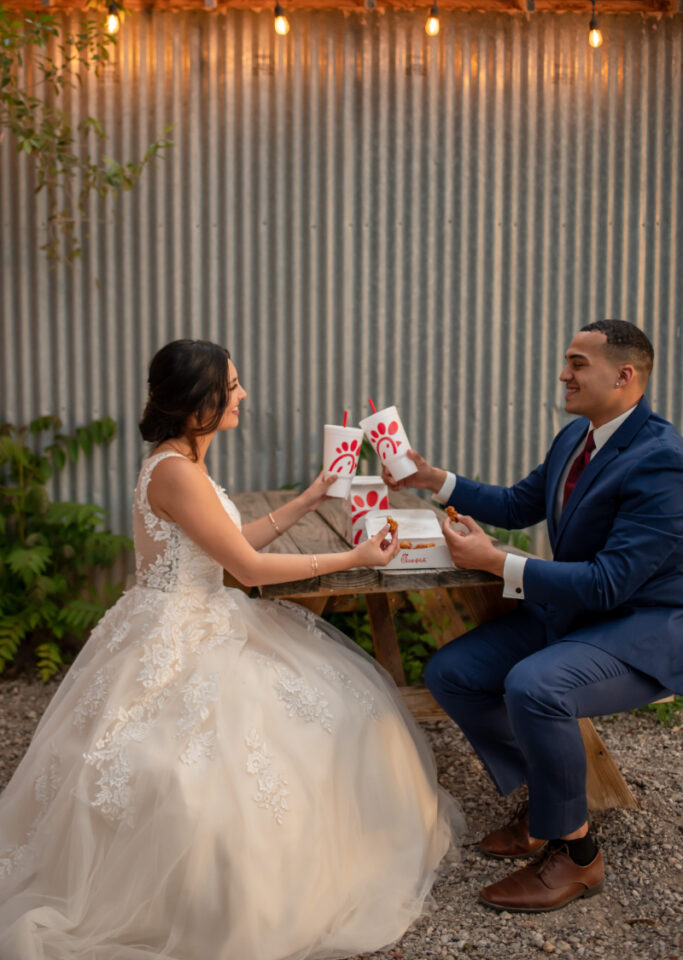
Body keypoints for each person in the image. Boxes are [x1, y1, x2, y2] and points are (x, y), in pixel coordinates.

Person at [0, 339, 462, 960]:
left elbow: (227, 539)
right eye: (232, 386)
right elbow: (246, 566)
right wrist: (354, 557)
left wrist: (308, 496)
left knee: (341, 706)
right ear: (199, 407)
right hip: (180, 628)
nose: (242, 394)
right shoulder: (174, 472)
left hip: (191, 613)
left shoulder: (178, 463)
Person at [383, 319, 683, 914]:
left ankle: (576, 856)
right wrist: (433, 480)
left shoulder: (663, 463)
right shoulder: (577, 437)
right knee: (453, 673)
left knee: (536, 685)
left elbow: (608, 583)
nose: (564, 374)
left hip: (645, 628)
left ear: (625, 376)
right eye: (566, 361)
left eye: (577, 363)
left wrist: (499, 563)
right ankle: (551, 805)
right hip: (578, 614)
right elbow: (522, 503)